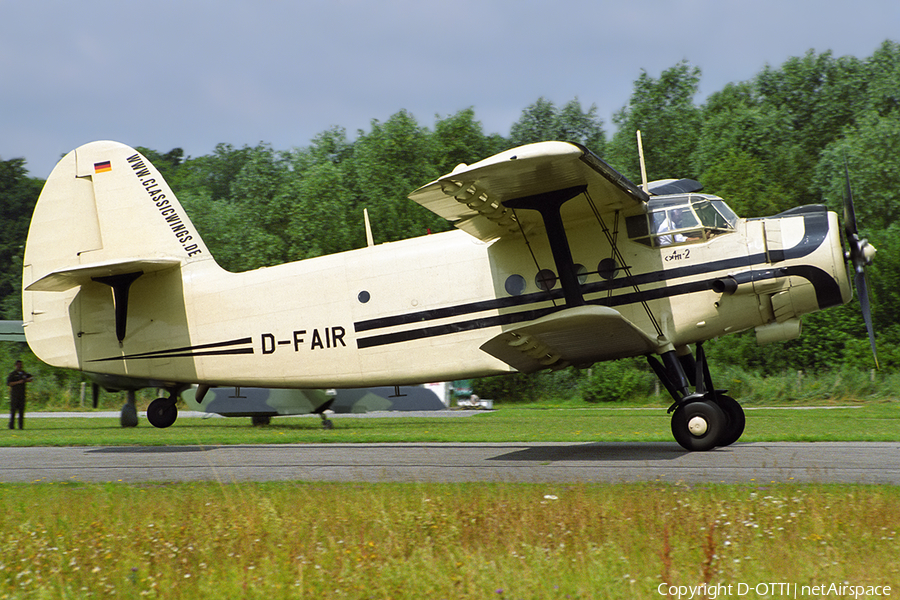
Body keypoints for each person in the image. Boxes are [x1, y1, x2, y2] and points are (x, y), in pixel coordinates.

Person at [7, 360, 33, 430]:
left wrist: (27, 380)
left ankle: (21, 426)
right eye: (18, 365)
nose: (20, 366)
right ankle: (11, 426)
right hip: (15, 395)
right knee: (13, 412)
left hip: (22, 395)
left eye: (21, 365)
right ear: (16, 365)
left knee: (21, 412)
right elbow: (9, 383)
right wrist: (18, 382)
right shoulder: (13, 374)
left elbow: (31, 378)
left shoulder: (24, 373)